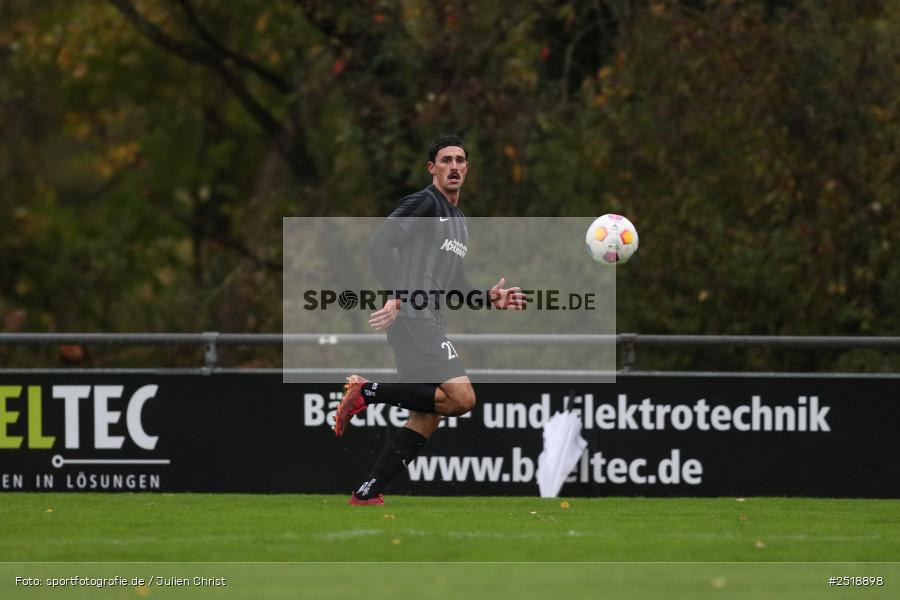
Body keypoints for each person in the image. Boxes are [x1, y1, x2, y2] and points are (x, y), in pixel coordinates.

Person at [332, 134, 525, 505]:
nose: (454, 166)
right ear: (432, 168)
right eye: (446, 160)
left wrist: (488, 298)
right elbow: (379, 244)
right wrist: (395, 295)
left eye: (460, 160)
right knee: (462, 398)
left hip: (426, 314)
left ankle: (366, 492)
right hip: (412, 314)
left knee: (428, 414)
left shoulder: (459, 221)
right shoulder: (423, 203)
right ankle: (367, 391)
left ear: (467, 168)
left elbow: (455, 283)